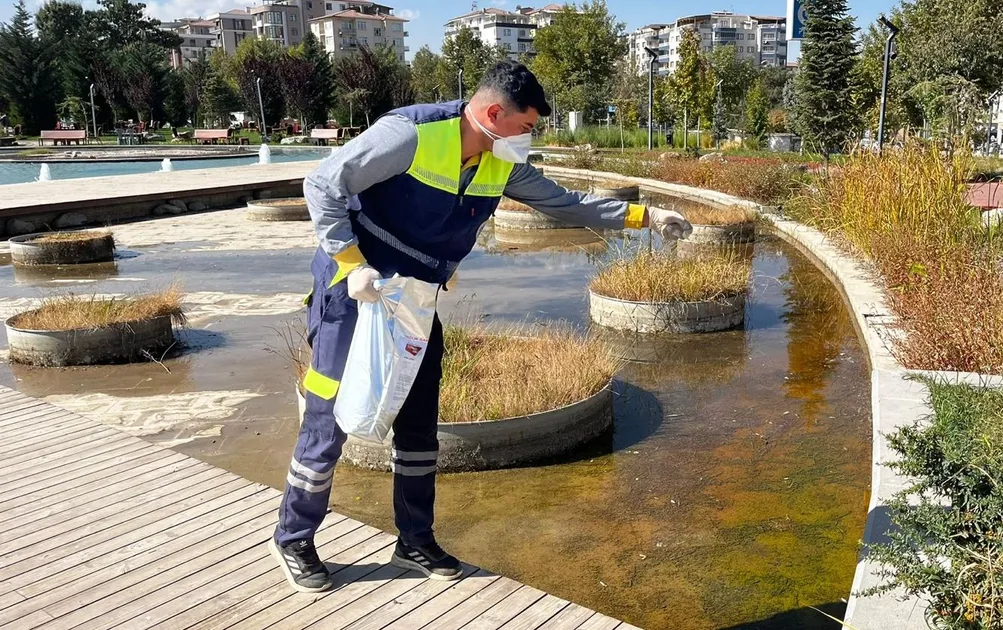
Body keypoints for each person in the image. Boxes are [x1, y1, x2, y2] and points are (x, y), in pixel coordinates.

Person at [269, 60, 692, 593]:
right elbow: (323, 183)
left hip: (415, 302)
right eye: (526, 127)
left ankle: (414, 540)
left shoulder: (499, 161)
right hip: (356, 291)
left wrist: (645, 217)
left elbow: (565, 205)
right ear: (494, 113)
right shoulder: (410, 135)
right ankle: (295, 538)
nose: (528, 140)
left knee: (419, 420)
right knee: (329, 414)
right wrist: (352, 266)